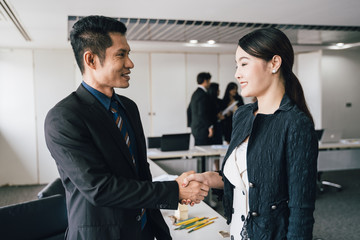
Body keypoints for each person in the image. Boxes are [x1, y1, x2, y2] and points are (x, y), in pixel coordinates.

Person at [44, 15, 209, 240]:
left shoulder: (127, 107)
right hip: (104, 233)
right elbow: (100, 189)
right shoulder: (64, 117)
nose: (130, 63)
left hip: (143, 228)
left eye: (128, 53)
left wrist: (173, 194)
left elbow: (140, 172)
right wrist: (174, 190)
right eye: (121, 54)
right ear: (91, 60)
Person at [183, 28, 318, 240]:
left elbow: (301, 208)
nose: (237, 73)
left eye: (244, 63)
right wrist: (207, 178)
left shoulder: (295, 123)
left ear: (274, 63)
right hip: (236, 232)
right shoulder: (243, 114)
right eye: (237, 65)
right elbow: (246, 181)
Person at [187, 72, 214, 146]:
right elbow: (202, 113)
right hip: (202, 128)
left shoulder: (195, 94)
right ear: (205, 81)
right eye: (209, 81)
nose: (210, 83)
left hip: (196, 127)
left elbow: (188, 110)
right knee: (204, 151)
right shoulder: (203, 95)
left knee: (199, 150)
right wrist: (210, 126)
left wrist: (190, 125)